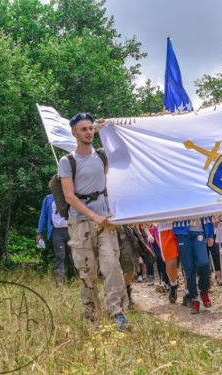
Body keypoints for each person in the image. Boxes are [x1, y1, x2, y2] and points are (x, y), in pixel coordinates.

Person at [59, 112, 129, 329]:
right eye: (84, 129)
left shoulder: (100, 156)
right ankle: (92, 316)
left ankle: (117, 313)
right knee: (87, 272)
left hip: (105, 224)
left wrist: (108, 126)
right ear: (74, 133)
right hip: (81, 224)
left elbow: (124, 153)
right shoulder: (67, 161)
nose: (88, 132)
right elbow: (69, 196)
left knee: (112, 266)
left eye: (91, 128)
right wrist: (93, 215)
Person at [172, 217, 214, 314]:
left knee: (203, 263)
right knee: (189, 268)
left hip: (200, 231)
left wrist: (210, 234)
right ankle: (194, 298)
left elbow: (208, 210)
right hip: (182, 231)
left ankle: (204, 290)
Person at [36, 194, 76, 286]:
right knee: (60, 256)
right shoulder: (48, 199)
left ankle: (72, 278)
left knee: (72, 256)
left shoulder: (71, 195)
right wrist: (39, 232)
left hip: (71, 229)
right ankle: (59, 281)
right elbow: (43, 216)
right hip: (56, 230)